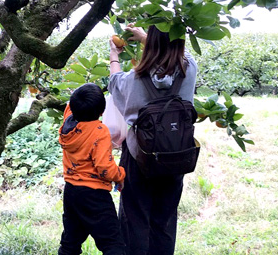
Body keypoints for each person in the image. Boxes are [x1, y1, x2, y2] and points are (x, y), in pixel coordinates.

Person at [108, 25, 198, 255]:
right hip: (176, 155)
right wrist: (148, 38)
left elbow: (114, 83)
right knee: (165, 219)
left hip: (140, 156)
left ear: (151, 44)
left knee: (134, 217)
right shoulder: (189, 69)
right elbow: (182, 53)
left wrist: (114, 56)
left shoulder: (133, 79)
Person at [58, 83, 127, 255]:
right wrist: (120, 174)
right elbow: (104, 168)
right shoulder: (99, 131)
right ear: (102, 112)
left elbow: (69, 104)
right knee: (112, 243)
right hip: (94, 196)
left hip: (71, 192)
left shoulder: (68, 123)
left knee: (70, 242)